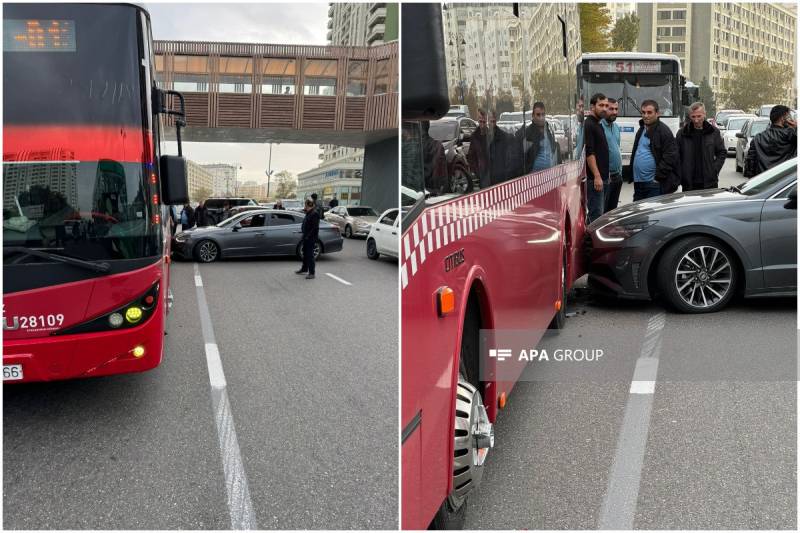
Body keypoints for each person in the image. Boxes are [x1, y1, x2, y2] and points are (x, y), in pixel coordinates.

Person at [626, 99, 680, 201]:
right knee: (639, 215)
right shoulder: (642, 129)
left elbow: (671, 156)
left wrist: (658, 178)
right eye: (643, 112)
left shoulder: (663, 131)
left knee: (651, 215)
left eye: (649, 112)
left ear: (657, 113)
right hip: (639, 183)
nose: (646, 115)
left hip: (653, 184)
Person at [675, 102, 726, 191]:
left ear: (704, 114)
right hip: (688, 183)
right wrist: (681, 173)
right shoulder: (682, 133)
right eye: (693, 117)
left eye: (699, 116)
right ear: (690, 116)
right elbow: (676, 156)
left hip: (709, 182)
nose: (696, 120)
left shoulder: (713, 132)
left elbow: (722, 152)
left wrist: (714, 170)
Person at [744, 104, 797, 177]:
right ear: (783, 118)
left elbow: (749, 167)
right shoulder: (791, 136)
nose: (791, 119)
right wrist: (796, 127)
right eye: (789, 116)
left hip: (763, 183)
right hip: (784, 183)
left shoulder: (757, 138)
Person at [583, 93, 610, 223]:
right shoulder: (589, 124)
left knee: (599, 216)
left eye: (606, 105)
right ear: (592, 107)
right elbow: (590, 153)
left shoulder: (598, 123)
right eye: (601, 105)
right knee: (596, 218)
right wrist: (597, 176)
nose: (605, 108)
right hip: (595, 181)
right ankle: (592, 243)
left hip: (602, 179)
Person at [524, 101, 558, 172]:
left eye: (543, 114)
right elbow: (524, 157)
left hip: (550, 175)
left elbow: (552, 151)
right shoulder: (528, 132)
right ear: (533, 116)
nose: (541, 117)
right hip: (534, 177)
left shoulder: (548, 130)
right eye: (538, 115)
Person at [602, 98, 623, 212]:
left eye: (616, 109)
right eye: (611, 109)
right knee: (602, 214)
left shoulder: (616, 127)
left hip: (617, 178)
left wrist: (620, 173)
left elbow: (617, 150)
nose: (614, 112)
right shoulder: (599, 126)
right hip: (606, 179)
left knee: (612, 214)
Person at [420, 120, 448, 194]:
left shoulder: (414, 146)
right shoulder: (437, 145)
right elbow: (442, 170)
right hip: (434, 189)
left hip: (418, 192)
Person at [295, 198, 320, 279]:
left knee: (310, 255)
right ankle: (304, 269)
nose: (304, 206)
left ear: (309, 205)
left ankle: (312, 273)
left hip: (310, 238)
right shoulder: (309, 213)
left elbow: (314, 228)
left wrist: (308, 236)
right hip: (306, 237)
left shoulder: (314, 214)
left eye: (305, 204)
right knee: (305, 254)